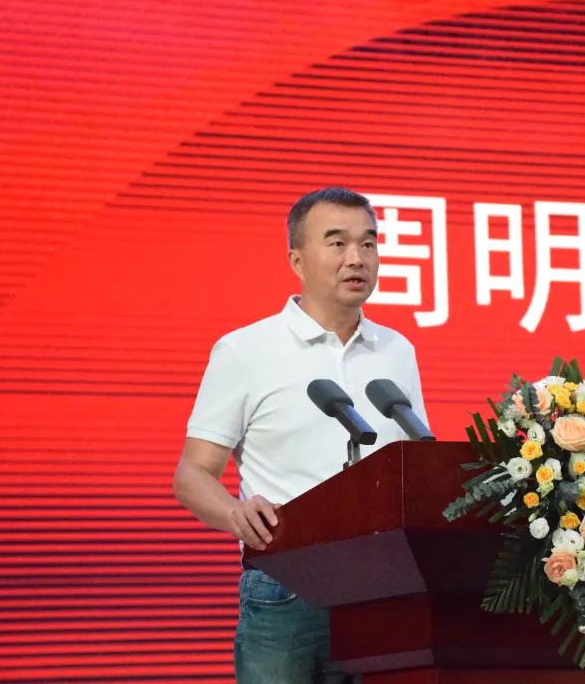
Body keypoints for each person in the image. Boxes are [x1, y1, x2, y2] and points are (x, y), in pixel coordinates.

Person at [173, 187, 428, 683]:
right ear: (296, 259)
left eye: (368, 243)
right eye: (337, 243)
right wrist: (234, 513)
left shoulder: (397, 350)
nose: (356, 258)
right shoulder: (246, 349)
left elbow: (410, 462)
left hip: (381, 588)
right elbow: (192, 474)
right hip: (284, 583)